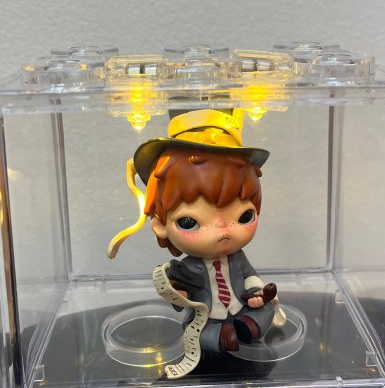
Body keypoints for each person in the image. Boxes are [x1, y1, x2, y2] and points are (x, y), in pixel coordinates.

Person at [108, 108, 278, 356]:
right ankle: (220, 338)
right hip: (207, 316)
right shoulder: (188, 267)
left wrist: (257, 293)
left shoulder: (237, 258)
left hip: (242, 305)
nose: (223, 230)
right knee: (198, 330)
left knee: (267, 309)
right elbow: (179, 296)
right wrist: (179, 294)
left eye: (244, 217)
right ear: (160, 225)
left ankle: (249, 327)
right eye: (189, 222)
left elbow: (249, 276)